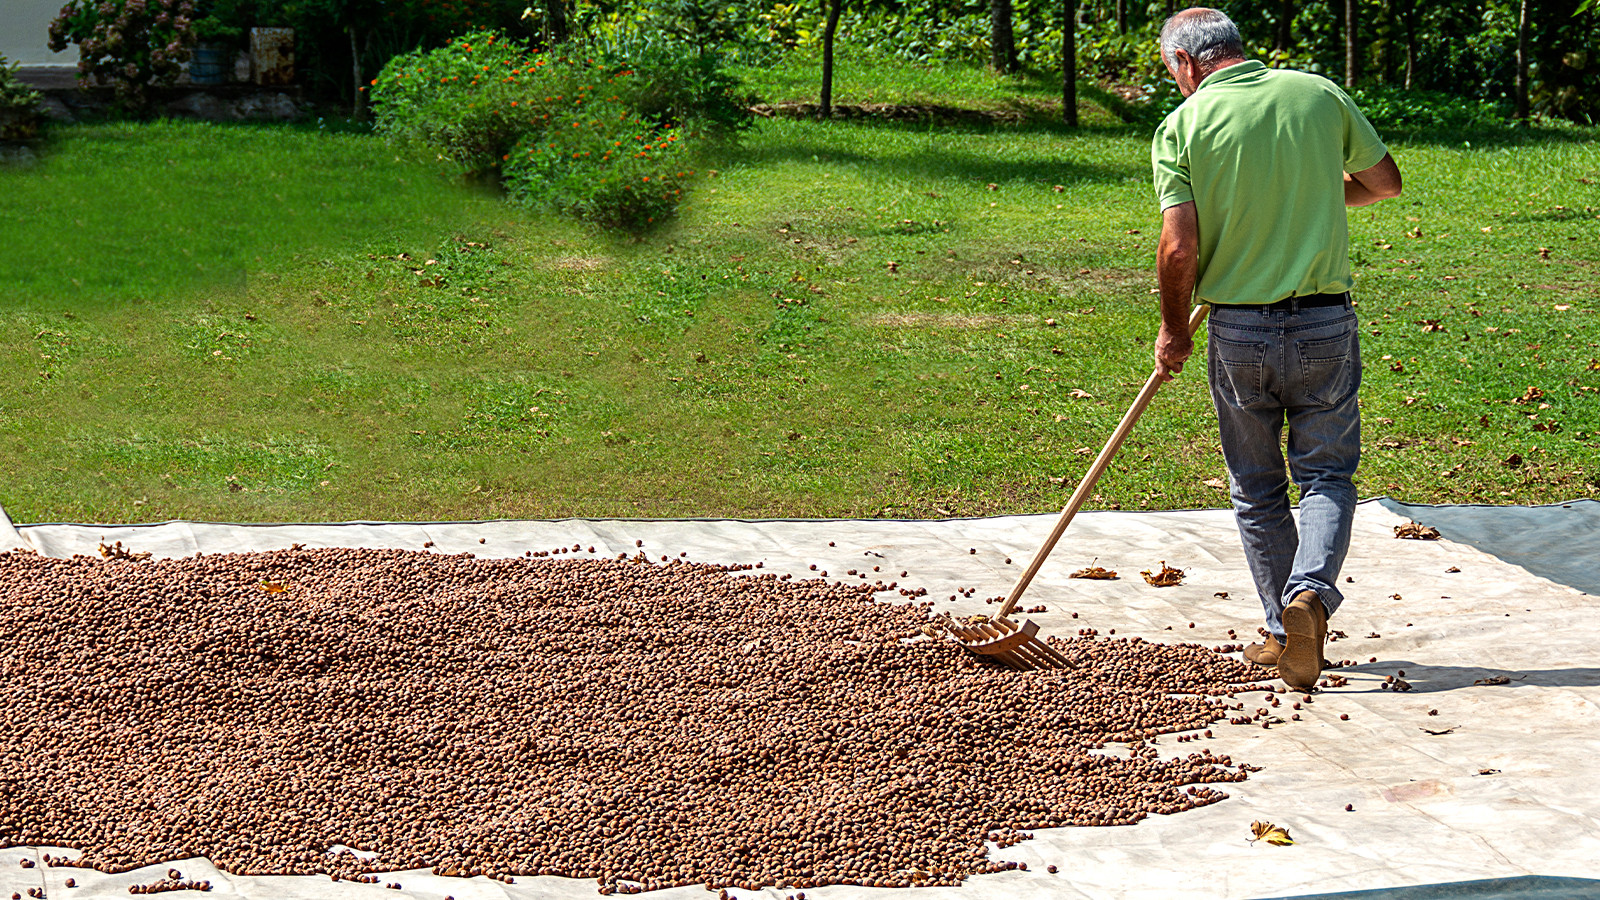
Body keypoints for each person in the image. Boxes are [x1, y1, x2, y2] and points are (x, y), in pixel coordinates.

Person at [1148, 8, 1403, 692]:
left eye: (1171, 72)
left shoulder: (1185, 124)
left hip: (1240, 332)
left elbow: (1180, 244)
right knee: (1326, 476)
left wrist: (1173, 331)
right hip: (1324, 324)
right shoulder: (1317, 94)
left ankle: (1278, 624)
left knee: (1258, 488)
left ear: (1186, 63)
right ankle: (1309, 599)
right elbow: (1384, 183)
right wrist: (1312, 194)